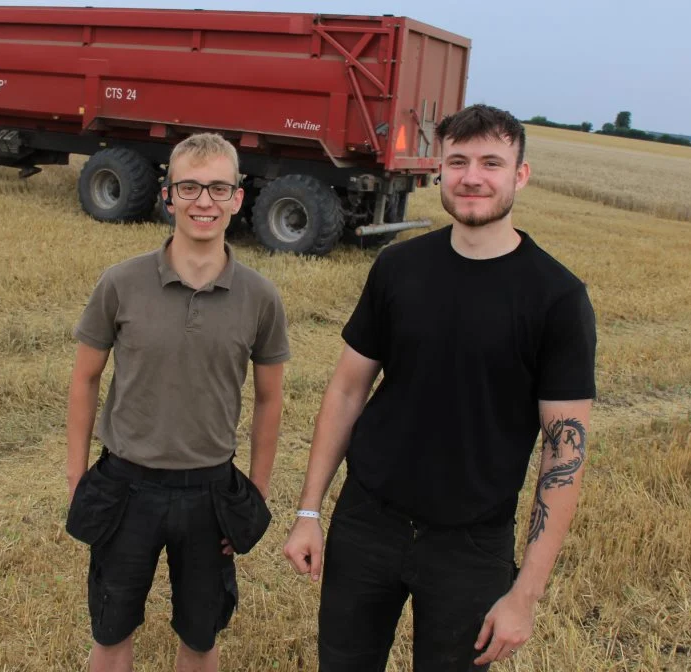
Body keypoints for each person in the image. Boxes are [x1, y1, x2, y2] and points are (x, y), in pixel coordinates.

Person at [282, 104, 597, 670]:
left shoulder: (557, 297)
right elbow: (347, 391)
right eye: (458, 161)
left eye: (491, 163)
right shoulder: (398, 268)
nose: (472, 176)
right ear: (440, 172)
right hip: (367, 522)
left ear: (519, 175)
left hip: (472, 546)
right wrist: (310, 512)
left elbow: (564, 451)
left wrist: (525, 594)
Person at [66, 133, 289, 672]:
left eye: (218, 188)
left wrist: (254, 495)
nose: (203, 202)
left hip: (209, 491)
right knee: (111, 632)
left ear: (239, 197)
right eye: (189, 187)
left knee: (201, 639)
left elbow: (270, 400)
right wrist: (77, 479)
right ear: (168, 196)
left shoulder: (260, 297)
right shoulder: (120, 283)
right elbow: (84, 381)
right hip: (125, 487)